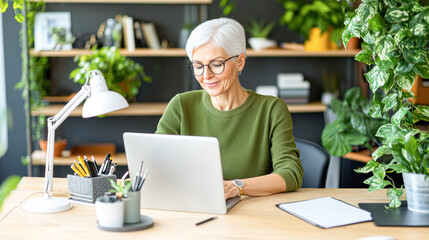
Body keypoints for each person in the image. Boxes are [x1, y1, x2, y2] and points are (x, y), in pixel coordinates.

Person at [156, 18, 303, 200]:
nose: (206, 75)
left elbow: (290, 174)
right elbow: (155, 162)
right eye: (198, 66)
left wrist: (236, 186)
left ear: (240, 62)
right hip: (193, 208)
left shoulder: (272, 109)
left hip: (252, 214)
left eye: (216, 64)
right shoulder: (180, 106)